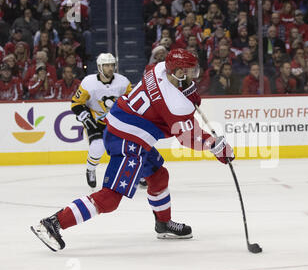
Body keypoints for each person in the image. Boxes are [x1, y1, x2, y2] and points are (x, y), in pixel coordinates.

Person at [30, 49, 235, 251]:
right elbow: (187, 136)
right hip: (128, 140)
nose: (193, 76)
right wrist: (215, 146)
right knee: (110, 198)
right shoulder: (175, 105)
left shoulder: (159, 69)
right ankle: (53, 223)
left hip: (126, 128)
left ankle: (163, 224)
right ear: (179, 73)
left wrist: (188, 91)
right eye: (190, 72)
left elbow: (174, 94)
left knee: (158, 176)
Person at [71, 53, 132, 188]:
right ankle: (90, 168)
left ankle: (135, 174)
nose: (110, 68)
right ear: (100, 67)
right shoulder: (88, 82)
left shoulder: (123, 82)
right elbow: (76, 103)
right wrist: (85, 117)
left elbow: (131, 102)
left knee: (130, 148)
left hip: (117, 121)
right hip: (96, 122)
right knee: (97, 146)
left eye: (112, 65)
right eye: (106, 65)